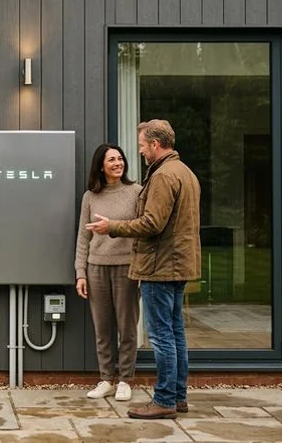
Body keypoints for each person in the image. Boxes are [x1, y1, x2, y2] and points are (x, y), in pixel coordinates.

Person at [86, 119, 201, 420]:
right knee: (175, 333)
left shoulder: (163, 176)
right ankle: (178, 397)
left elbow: (152, 224)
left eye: (142, 146)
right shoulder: (185, 172)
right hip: (177, 265)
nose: (140, 152)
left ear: (155, 144)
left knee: (162, 336)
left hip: (159, 267)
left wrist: (112, 227)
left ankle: (164, 400)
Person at [75, 144, 141, 402]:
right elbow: (83, 237)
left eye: (120, 158)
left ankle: (125, 380)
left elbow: (142, 228)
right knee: (102, 328)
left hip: (127, 268)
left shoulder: (136, 192)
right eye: (111, 159)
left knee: (127, 328)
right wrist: (81, 272)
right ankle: (106, 379)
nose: (117, 163)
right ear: (101, 166)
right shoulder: (90, 197)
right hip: (96, 268)